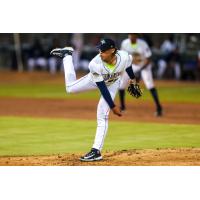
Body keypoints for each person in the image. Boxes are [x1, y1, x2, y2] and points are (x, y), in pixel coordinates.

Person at [50, 38, 140, 162]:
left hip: (113, 83)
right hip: (95, 81)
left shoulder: (124, 57)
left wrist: (133, 79)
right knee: (70, 88)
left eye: (103, 50)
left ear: (112, 50)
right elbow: (102, 87)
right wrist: (113, 106)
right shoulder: (95, 64)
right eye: (99, 50)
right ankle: (67, 56)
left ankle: (96, 151)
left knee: (102, 115)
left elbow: (128, 65)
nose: (100, 53)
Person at [119, 33, 163, 116]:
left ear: (136, 36)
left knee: (150, 85)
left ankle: (159, 108)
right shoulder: (125, 43)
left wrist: (140, 70)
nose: (131, 36)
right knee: (121, 85)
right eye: (130, 34)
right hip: (131, 66)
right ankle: (122, 107)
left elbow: (148, 58)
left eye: (133, 34)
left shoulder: (142, 44)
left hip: (144, 66)